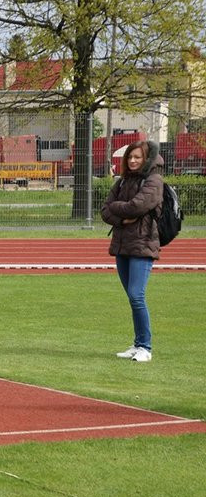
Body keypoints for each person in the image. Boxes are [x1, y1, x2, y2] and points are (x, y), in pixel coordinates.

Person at [100, 140, 164, 363]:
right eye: (130, 157)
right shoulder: (123, 181)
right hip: (122, 245)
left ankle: (145, 347)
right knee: (132, 297)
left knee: (137, 295)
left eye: (137, 157)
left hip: (142, 245)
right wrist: (122, 213)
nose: (133, 160)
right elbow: (105, 210)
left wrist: (119, 209)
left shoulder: (154, 181)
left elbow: (137, 206)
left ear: (146, 158)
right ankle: (137, 344)